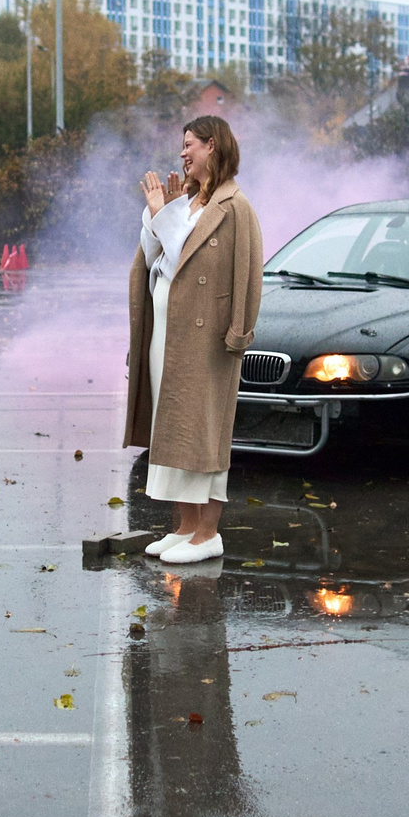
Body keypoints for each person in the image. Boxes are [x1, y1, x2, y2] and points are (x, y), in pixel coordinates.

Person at [123, 114, 263, 564]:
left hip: (208, 342)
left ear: (213, 147)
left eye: (190, 145)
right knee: (176, 428)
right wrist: (156, 214)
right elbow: (154, 255)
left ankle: (208, 534)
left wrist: (239, 333)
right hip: (169, 333)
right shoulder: (188, 202)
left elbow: (248, 274)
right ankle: (185, 527)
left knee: (205, 432)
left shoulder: (234, 206)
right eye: (182, 145)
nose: (183, 153)